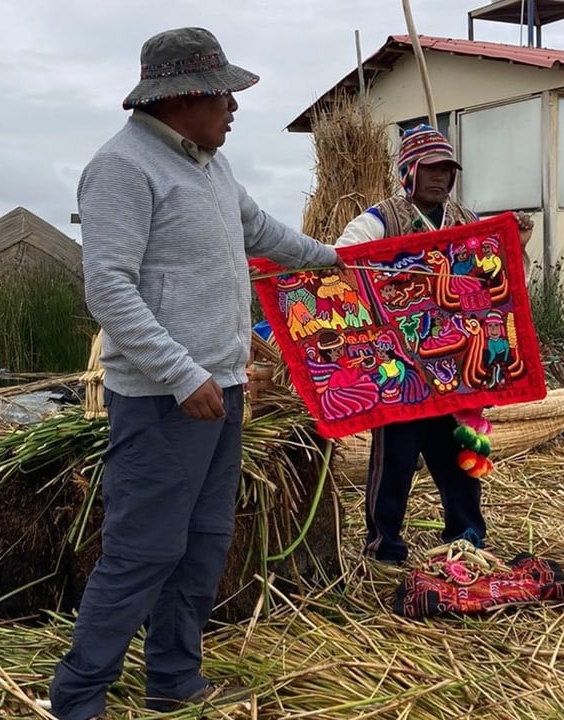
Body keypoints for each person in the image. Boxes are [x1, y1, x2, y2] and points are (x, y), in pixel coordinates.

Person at [49, 27, 343, 720]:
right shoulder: (123, 167)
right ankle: (77, 699)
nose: (234, 109)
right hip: (163, 402)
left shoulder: (210, 165)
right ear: (183, 97)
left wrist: (330, 258)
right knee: (141, 552)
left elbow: (263, 232)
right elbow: (110, 289)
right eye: (224, 96)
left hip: (223, 389)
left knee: (203, 545)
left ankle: (174, 682)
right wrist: (182, 375)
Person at [335, 123, 533, 565]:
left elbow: (497, 276)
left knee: (461, 459)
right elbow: (342, 261)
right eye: (430, 169)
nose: (440, 178)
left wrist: (516, 242)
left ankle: (467, 538)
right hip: (402, 368)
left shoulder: (466, 223)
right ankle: (383, 547)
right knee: (395, 464)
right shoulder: (377, 221)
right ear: (408, 172)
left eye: (447, 170)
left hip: (458, 369)